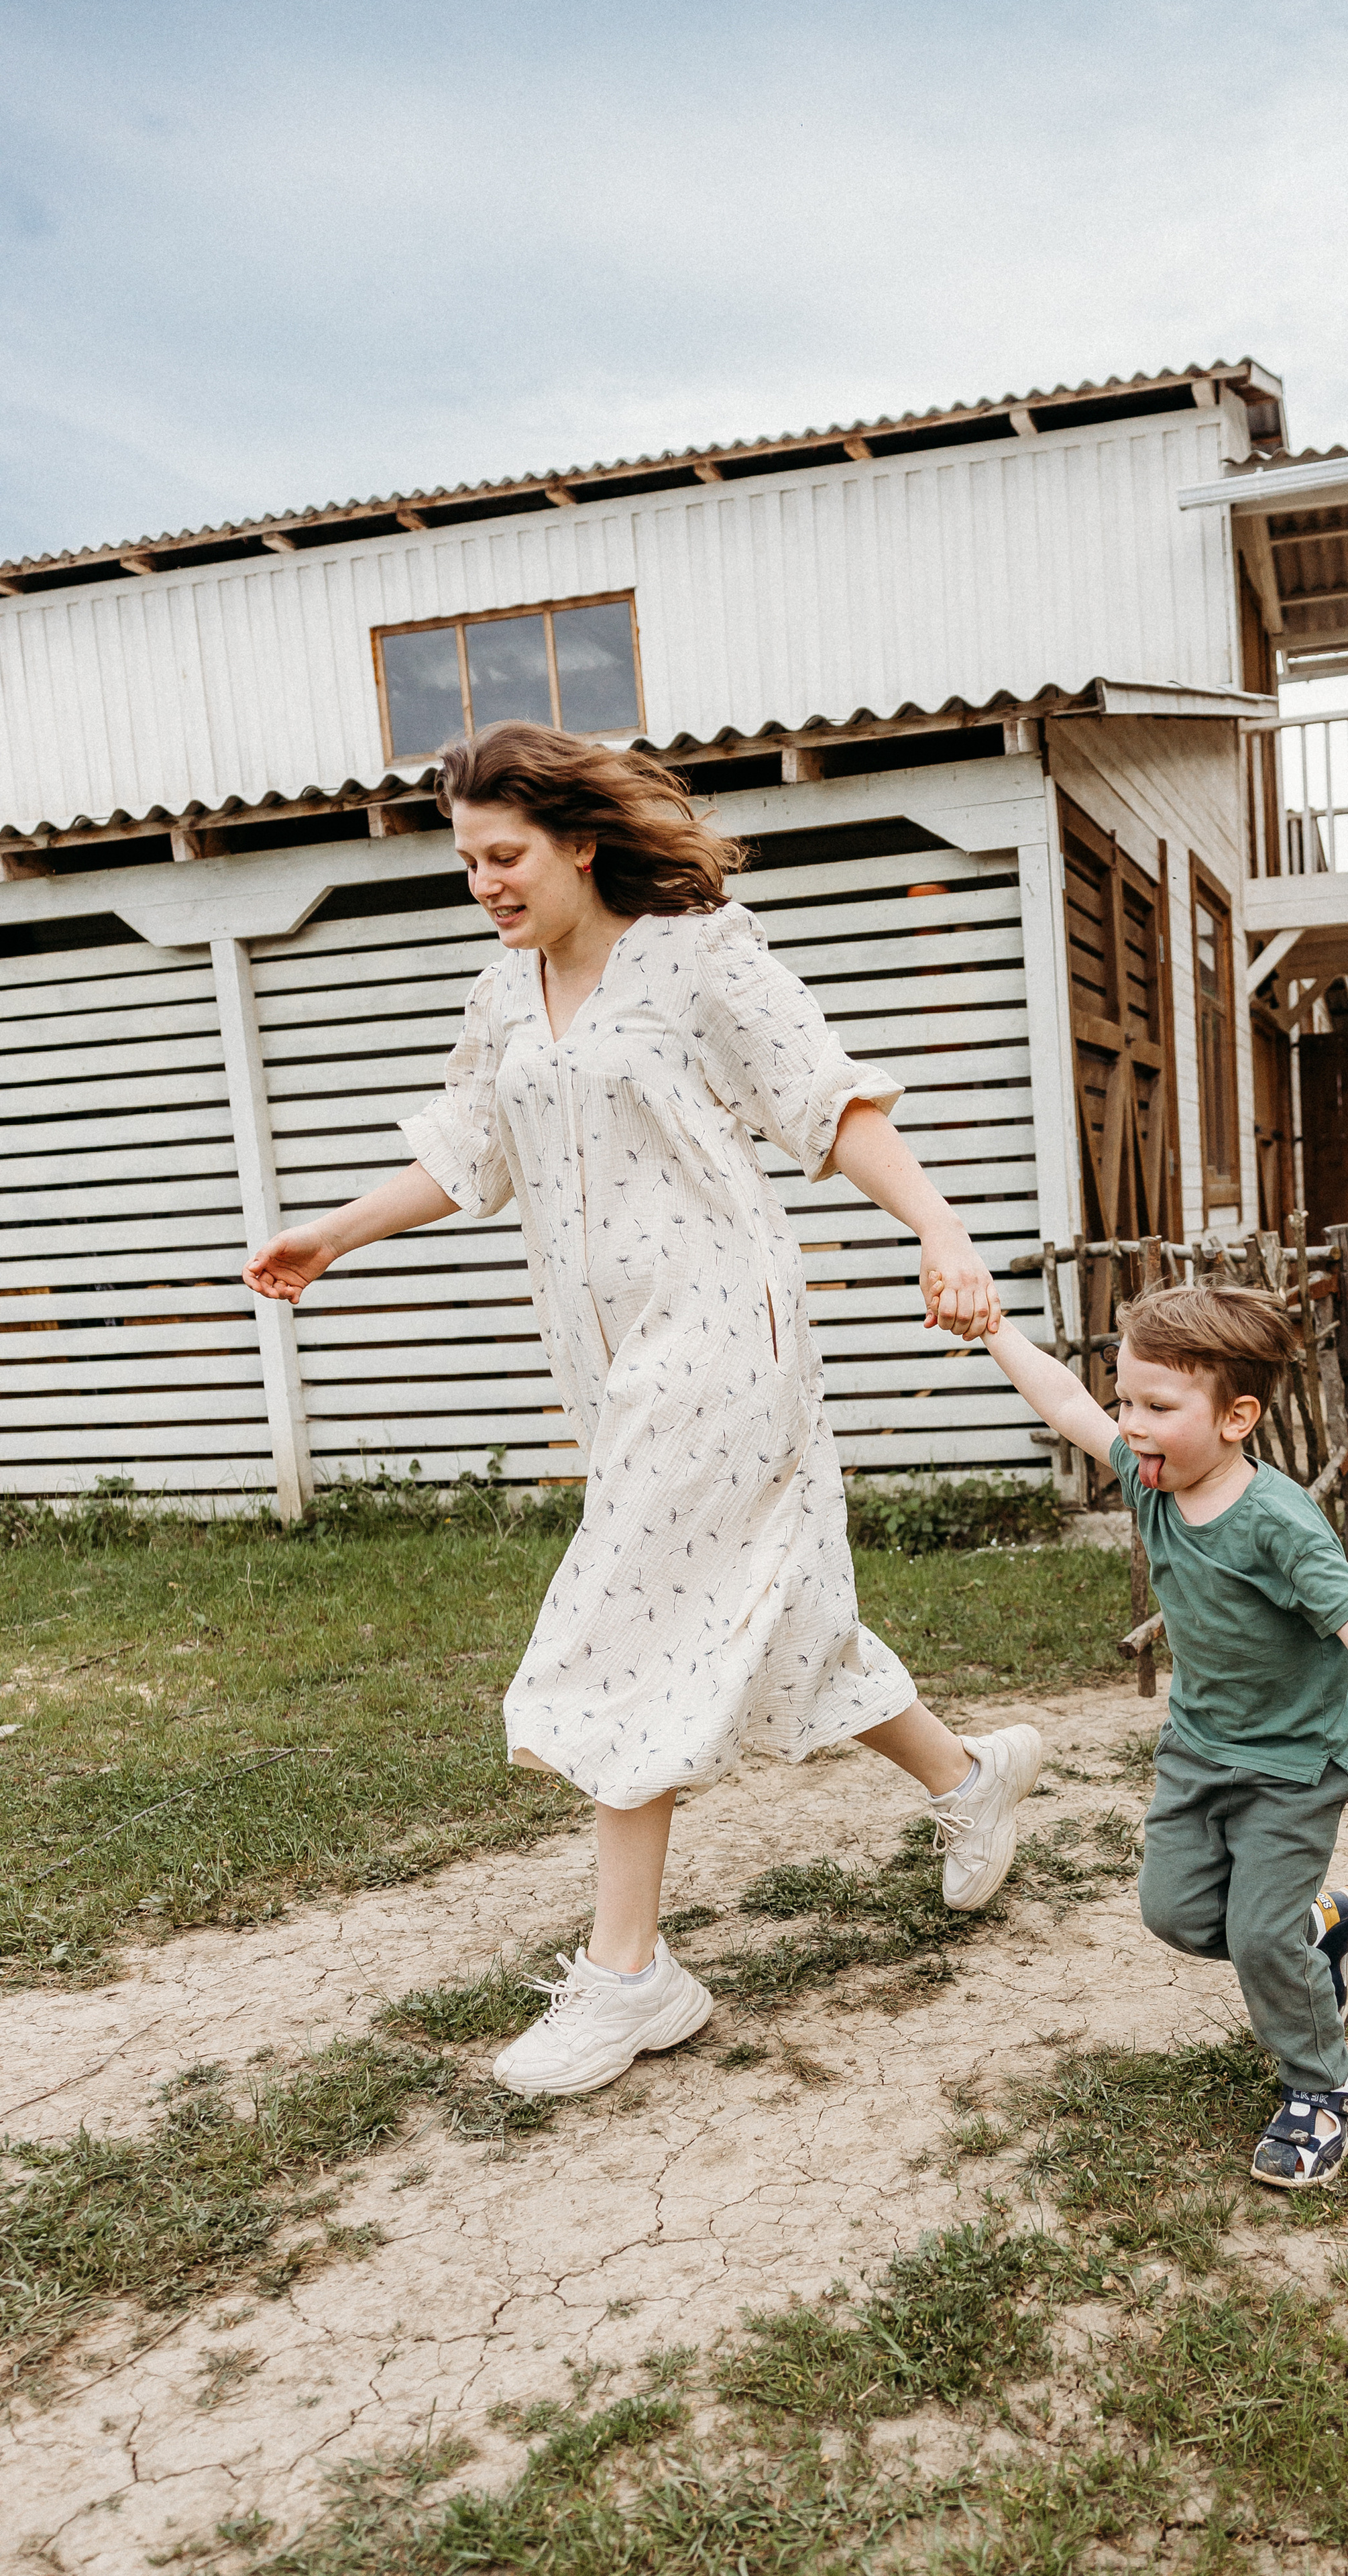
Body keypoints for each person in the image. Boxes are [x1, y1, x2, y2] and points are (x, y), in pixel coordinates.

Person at [242, 721, 1044, 2097]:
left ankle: (629, 1976)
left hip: (727, 1331)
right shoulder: (506, 994)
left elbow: (824, 1103)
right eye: (468, 863)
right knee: (777, 1612)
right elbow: (468, 1153)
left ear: (579, 841)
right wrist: (331, 1235)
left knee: (624, 1617)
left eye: (505, 856)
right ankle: (970, 1779)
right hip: (612, 1363)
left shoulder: (696, 952)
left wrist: (941, 1232)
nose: (486, 883)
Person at [979, 1278, 1348, 2190]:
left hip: (1294, 1769)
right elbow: (1061, 1400)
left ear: (1235, 1417)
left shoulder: (1276, 1523)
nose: (1130, 1425)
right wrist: (993, 1330)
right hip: (1197, 1752)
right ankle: (1320, 1935)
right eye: (1126, 1401)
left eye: (1157, 1407)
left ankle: (1320, 2089)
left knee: (1257, 1938)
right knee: (1173, 1914)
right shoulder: (1153, 1483)